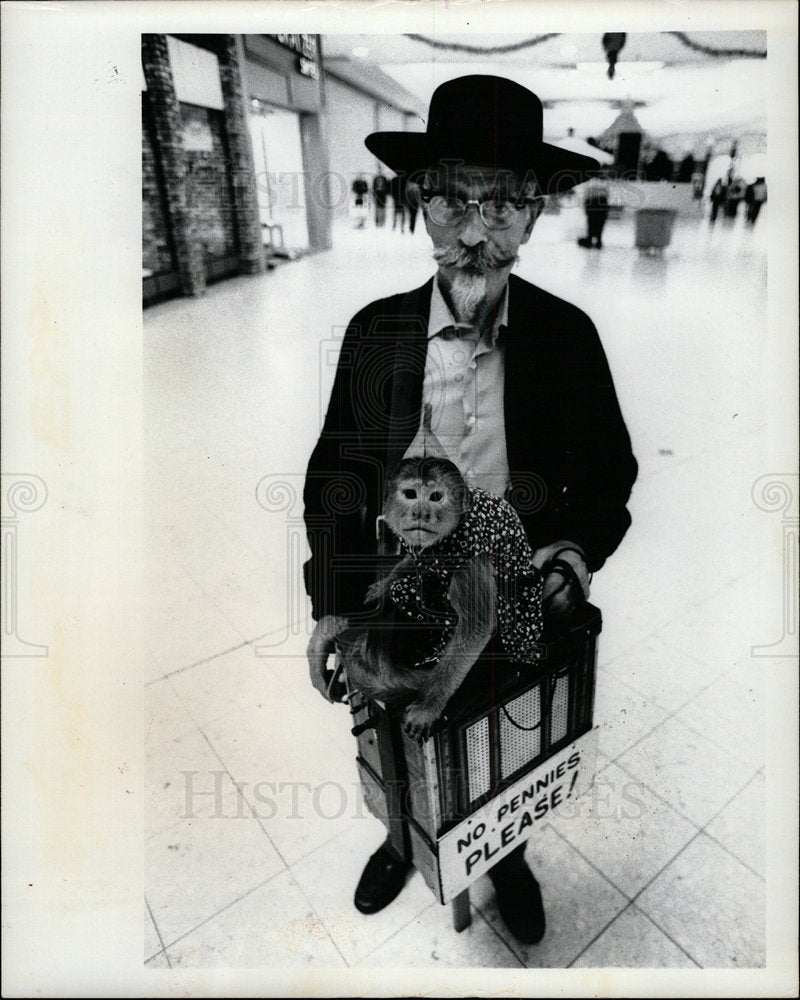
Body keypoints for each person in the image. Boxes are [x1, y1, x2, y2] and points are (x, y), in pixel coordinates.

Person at [303, 75, 638, 946]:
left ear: (533, 217)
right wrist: (335, 598)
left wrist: (570, 554)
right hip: (393, 587)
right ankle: (400, 839)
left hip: (515, 591)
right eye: (454, 197)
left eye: (503, 204)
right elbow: (337, 472)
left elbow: (609, 470)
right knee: (390, 727)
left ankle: (504, 855)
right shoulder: (378, 332)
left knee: (500, 748)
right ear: (422, 204)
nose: (476, 229)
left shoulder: (566, 339)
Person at [578, 177, 610, 249]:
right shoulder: (603, 183)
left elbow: (586, 196)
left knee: (591, 222)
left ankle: (590, 240)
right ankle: (598, 241)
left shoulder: (589, 183)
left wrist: (585, 208)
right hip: (602, 202)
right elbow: (607, 195)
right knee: (600, 223)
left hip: (592, 203)